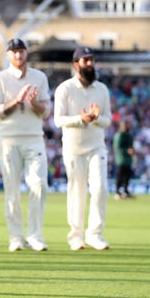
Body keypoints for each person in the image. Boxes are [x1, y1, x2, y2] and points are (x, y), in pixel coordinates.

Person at [0, 38, 52, 252]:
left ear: (26, 53)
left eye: (21, 51)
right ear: (8, 55)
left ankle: (35, 235)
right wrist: (16, 101)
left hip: (34, 138)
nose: (18, 55)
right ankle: (16, 237)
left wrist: (33, 102)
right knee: (12, 191)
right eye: (13, 52)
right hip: (9, 140)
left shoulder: (39, 77)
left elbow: (46, 111)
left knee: (39, 186)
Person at [53, 46, 111, 251]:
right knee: (77, 192)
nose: (89, 64)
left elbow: (108, 120)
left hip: (97, 147)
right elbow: (58, 120)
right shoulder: (65, 89)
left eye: (91, 60)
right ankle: (76, 237)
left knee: (100, 189)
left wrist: (95, 119)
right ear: (76, 64)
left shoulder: (102, 89)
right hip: (73, 148)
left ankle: (95, 234)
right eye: (85, 60)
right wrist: (81, 119)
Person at [113, 119, 135, 199]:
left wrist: (132, 151)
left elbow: (131, 145)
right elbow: (118, 147)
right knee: (120, 176)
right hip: (121, 159)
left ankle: (125, 191)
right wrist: (127, 150)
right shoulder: (119, 135)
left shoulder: (129, 135)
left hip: (128, 159)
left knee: (127, 176)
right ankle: (117, 191)